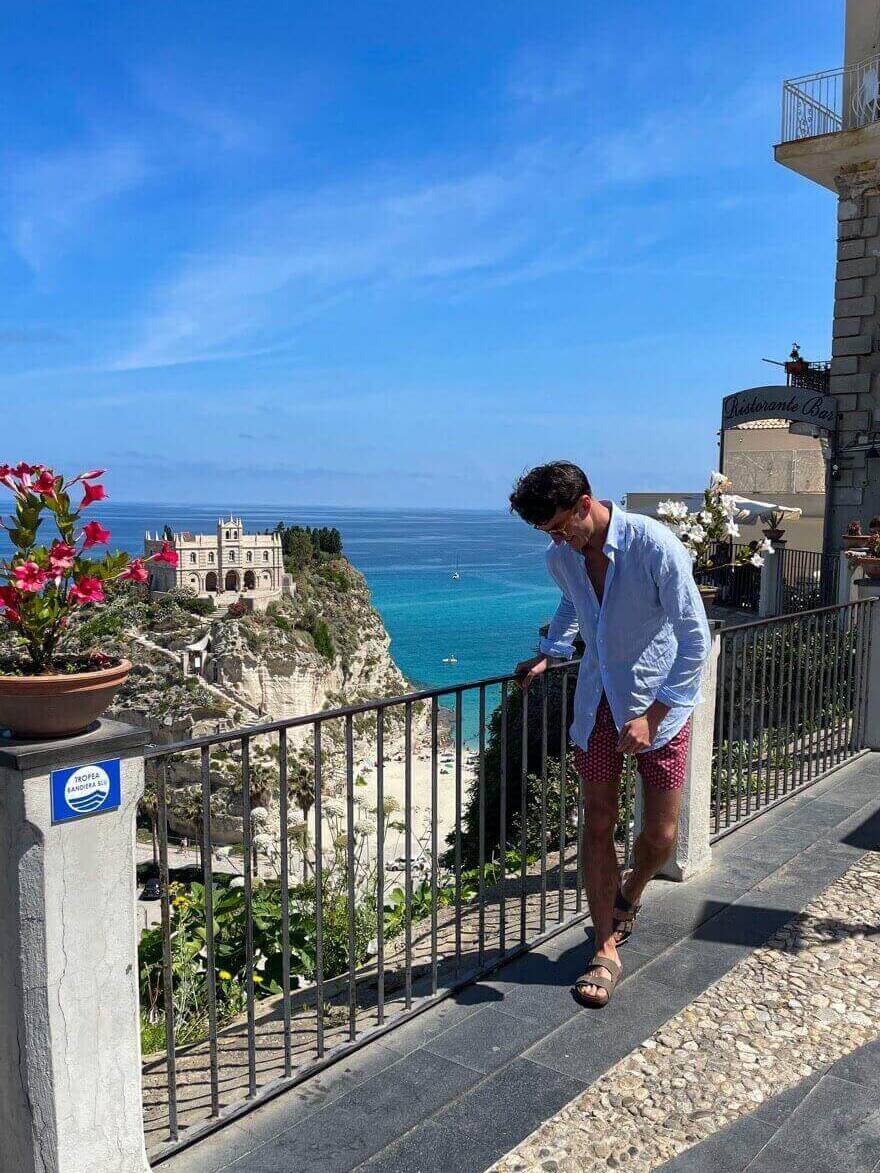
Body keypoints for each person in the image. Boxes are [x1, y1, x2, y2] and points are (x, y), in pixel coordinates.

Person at [510, 462, 710, 1008]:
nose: (556, 539)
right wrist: (550, 655)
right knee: (597, 821)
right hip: (597, 706)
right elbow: (573, 604)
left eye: (559, 526)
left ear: (585, 503)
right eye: (546, 532)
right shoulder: (563, 557)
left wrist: (657, 711)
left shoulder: (653, 545)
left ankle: (630, 894)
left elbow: (696, 636)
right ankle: (604, 946)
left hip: (658, 707)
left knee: (662, 835)